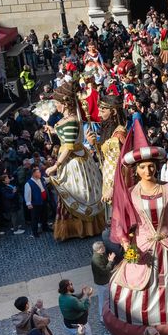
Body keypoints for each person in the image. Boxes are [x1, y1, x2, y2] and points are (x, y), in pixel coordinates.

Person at [105, 121, 168, 335]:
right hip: (142, 247)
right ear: (135, 170)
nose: (148, 170)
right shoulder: (130, 193)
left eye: (150, 166)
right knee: (134, 287)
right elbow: (123, 229)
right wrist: (130, 253)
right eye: (142, 167)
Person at [44, 82, 105, 241]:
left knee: (74, 192)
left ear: (64, 104)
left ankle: (78, 229)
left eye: (57, 103)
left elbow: (69, 146)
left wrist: (55, 166)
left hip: (73, 163)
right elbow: (67, 138)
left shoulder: (70, 120)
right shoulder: (70, 119)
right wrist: (53, 130)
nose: (55, 105)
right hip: (76, 158)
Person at [86, 94, 127, 211]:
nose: (99, 115)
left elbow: (122, 164)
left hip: (118, 185)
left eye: (102, 111)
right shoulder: (112, 132)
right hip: (110, 182)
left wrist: (113, 187)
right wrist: (94, 143)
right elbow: (107, 155)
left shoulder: (119, 135)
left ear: (113, 112)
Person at [23, 167, 50, 237]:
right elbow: (27, 194)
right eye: (38, 172)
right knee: (35, 218)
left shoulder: (41, 179)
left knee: (44, 215)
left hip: (43, 201)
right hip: (36, 203)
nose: (40, 173)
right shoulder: (28, 183)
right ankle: (35, 232)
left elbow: (49, 179)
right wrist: (28, 203)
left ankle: (45, 227)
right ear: (34, 174)